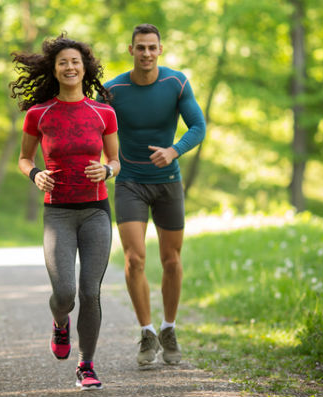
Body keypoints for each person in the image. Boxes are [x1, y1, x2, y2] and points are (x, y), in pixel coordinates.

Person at [10, 33, 120, 390]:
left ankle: (86, 365)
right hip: (58, 213)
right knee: (65, 293)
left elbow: (116, 160)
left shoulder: (103, 112)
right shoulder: (39, 114)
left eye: (75, 61)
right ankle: (60, 322)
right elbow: (24, 159)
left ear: (84, 66)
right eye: (63, 63)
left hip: (96, 212)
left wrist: (107, 170)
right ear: (54, 70)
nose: (70, 67)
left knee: (91, 292)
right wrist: (35, 174)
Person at [99, 23, 206, 367]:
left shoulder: (176, 83)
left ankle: (169, 328)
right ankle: (146, 332)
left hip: (167, 183)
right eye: (140, 47)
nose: (146, 53)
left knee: (171, 261)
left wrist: (173, 151)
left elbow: (198, 127)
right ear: (130, 50)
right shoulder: (112, 90)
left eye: (151, 47)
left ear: (161, 49)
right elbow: (95, 128)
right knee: (134, 259)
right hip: (129, 181)